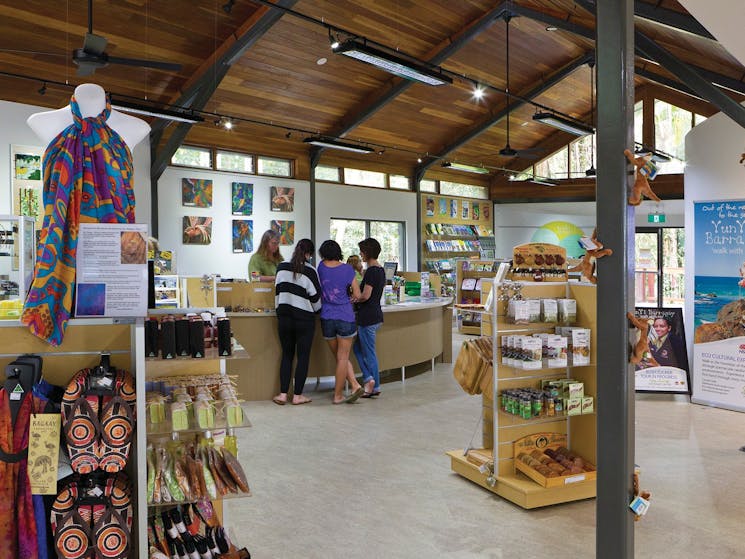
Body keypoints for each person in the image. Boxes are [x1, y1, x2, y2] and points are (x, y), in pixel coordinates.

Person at [21, 83, 150, 346]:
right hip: (63, 250)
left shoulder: (136, 128)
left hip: (115, 257)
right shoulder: (43, 122)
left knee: (118, 340)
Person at [272, 239, 321, 406]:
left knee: (287, 355)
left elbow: (277, 293)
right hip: (304, 320)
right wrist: (317, 311)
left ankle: (283, 394)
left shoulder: (281, 267)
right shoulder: (310, 271)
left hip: (284, 318)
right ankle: (298, 395)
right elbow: (316, 298)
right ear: (309, 254)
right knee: (303, 356)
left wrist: (280, 311)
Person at [317, 240, 364, 404]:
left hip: (327, 316)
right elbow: (358, 295)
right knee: (343, 357)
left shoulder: (321, 267)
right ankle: (337, 395)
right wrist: (349, 298)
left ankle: (355, 385)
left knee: (339, 357)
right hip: (345, 315)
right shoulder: (347, 270)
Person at [352, 238, 386, 398]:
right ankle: (370, 379)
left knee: (368, 352)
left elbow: (365, 295)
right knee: (358, 348)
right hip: (375, 315)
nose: (360, 254)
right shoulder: (380, 270)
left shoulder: (372, 271)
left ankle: (374, 383)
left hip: (367, 317)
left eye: (362, 251)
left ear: (368, 252)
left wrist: (355, 299)